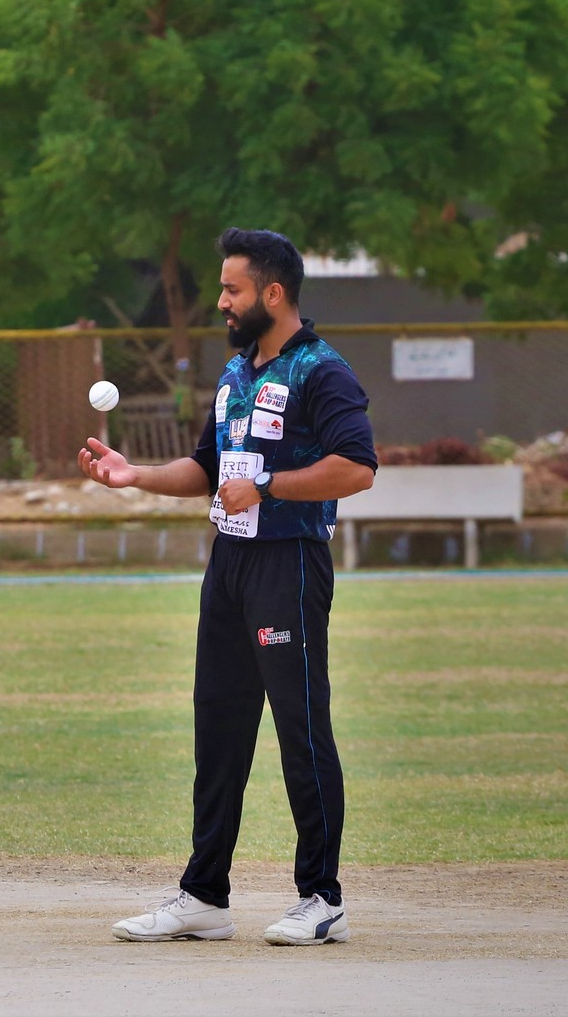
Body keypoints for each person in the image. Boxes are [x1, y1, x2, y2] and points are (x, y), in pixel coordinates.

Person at [80, 228, 376, 947]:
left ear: (273, 293)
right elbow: (210, 469)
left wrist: (268, 484)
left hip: (289, 564)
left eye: (231, 289)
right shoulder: (237, 373)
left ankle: (322, 898)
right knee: (217, 728)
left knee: (301, 728)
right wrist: (134, 476)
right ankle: (204, 896)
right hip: (230, 566)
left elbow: (358, 467)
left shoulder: (321, 371)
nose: (221, 301)